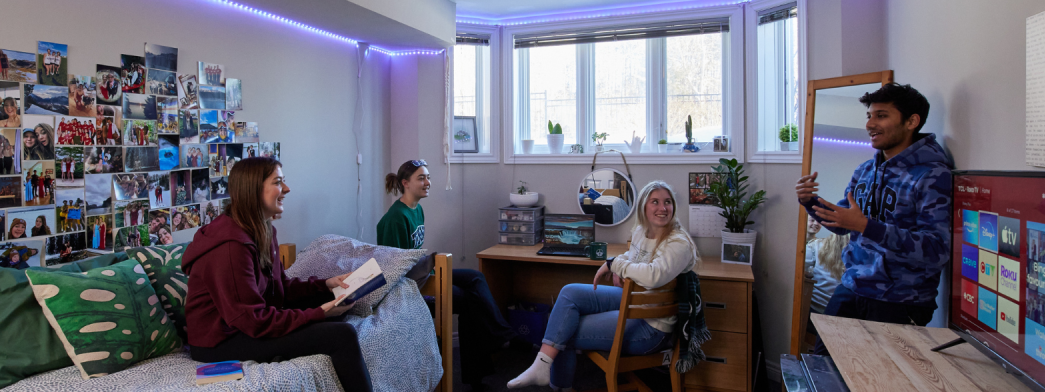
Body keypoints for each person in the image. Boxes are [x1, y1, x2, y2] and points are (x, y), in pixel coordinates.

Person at [183, 157, 372, 392]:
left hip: (247, 322)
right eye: (278, 182)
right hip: (221, 340)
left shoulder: (263, 228)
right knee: (342, 335)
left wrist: (326, 285)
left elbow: (279, 288)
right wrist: (318, 314)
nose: (287, 188)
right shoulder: (230, 246)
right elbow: (252, 321)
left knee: (336, 296)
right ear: (253, 189)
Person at [794, 83, 952, 337]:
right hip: (852, 288)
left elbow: (936, 249)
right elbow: (843, 221)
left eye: (881, 115)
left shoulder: (932, 175)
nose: (869, 124)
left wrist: (867, 226)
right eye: (869, 116)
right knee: (822, 366)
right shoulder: (866, 169)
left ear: (912, 121)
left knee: (876, 378)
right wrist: (809, 201)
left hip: (900, 302)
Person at [507, 180, 697, 390]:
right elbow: (631, 256)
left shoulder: (678, 243)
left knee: (564, 329)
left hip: (651, 328)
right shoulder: (642, 231)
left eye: (667, 202)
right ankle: (542, 366)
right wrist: (615, 263)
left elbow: (654, 275)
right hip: (633, 302)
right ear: (644, 206)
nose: (663, 208)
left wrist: (614, 264)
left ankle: (555, 383)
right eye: (655, 202)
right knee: (569, 293)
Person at [375, 159, 517, 390]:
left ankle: (500, 333)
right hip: (410, 288)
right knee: (470, 302)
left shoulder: (417, 209)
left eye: (428, 177)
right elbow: (395, 269)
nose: (428, 182)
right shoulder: (395, 218)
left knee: (475, 277)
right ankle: (482, 366)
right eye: (421, 178)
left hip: (423, 274)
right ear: (405, 183)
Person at [803, 216, 849, 314]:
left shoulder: (815, 246)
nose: (815, 224)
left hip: (813, 308)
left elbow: (799, 270)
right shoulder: (860, 255)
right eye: (812, 220)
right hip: (839, 312)